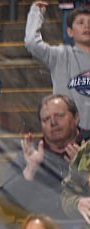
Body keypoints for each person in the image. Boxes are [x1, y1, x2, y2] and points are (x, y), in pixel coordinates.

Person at [0, 94, 88, 229]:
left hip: (81, 225)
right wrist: (30, 170)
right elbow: (5, 203)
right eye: (46, 119)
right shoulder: (31, 152)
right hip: (42, 226)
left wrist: (84, 173)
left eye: (59, 116)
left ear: (76, 117)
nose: (53, 123)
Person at [26, 2, 90, 135]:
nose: (87, 26)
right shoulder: (59, 55)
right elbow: (32, 43)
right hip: (69, 136)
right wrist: (36, 12)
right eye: (80, 22)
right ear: (70, 32)